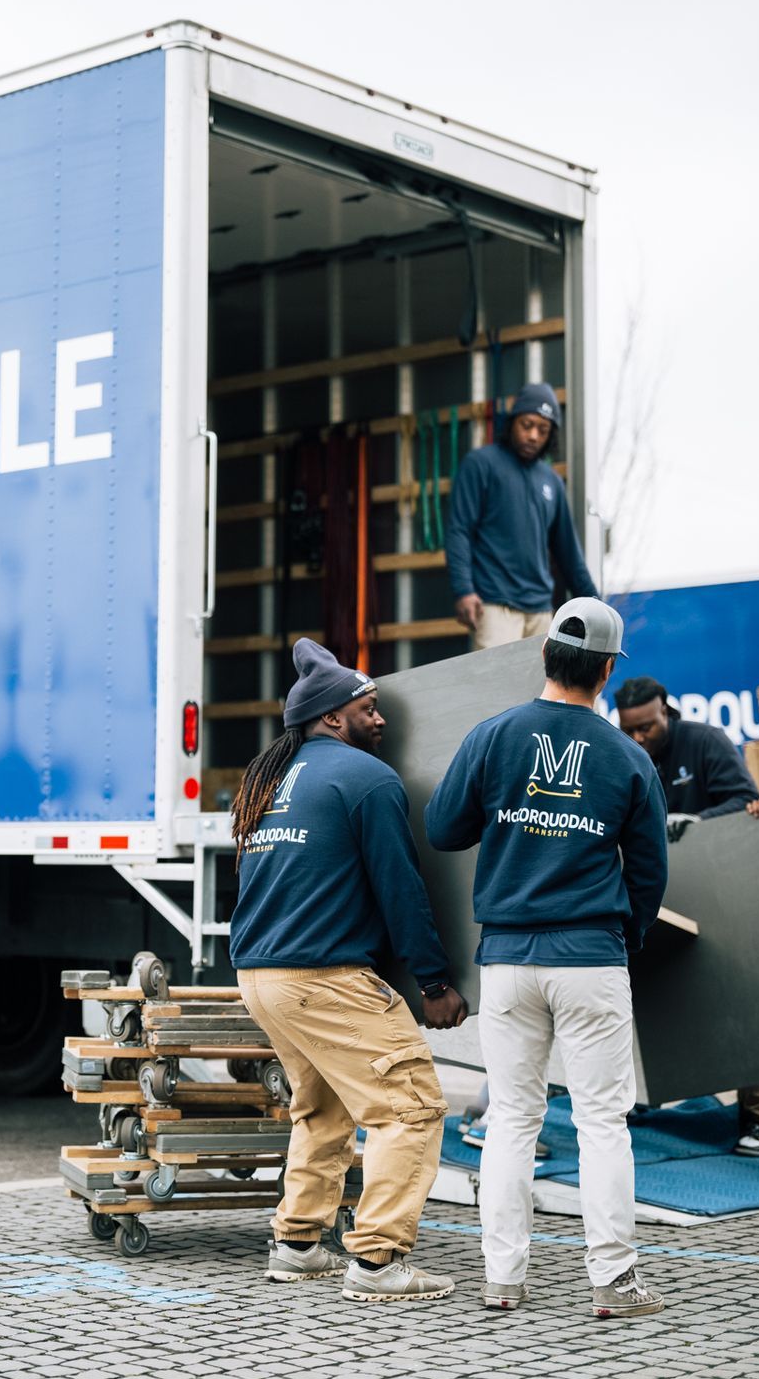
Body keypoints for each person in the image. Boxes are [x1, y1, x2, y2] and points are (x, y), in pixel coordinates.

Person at [424, 597, 669, 1318]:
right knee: (601, 1123)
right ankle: (612, 1283)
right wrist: (627, 945)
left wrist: (505, 814)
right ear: (605, 672)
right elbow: (651, 872)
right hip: (591, 956)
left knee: (510, 1122)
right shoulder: (627, 756)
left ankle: (504, 1280)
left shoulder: (494, 736)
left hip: (507, 959)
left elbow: (443, 828)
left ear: (544, 655)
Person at [229, 638, 467, 1303]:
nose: (382, 719)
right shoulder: (368, 779)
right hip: (322, 976)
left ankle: (300, 1244)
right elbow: (401, 888)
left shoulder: (263, 781)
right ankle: (378, 1262)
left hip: (261, 976)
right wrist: (435, 982)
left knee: (323, 1107)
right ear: (333, 718)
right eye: (370, 708)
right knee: (411, 1108)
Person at [613, 674, 759, 1157]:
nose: (639, 737)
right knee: (638, 996)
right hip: (655, 895)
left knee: (739, 993)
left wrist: (698, 822)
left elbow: (748, 804)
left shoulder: (706, 742)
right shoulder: (623, 751)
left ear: (668, 711)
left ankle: (757, 1118)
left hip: (720, 891)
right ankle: (637, 1096)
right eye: (630, 730)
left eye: (647, 727)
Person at [445, 382, 596, 648]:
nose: (534, 436)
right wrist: (463, 590)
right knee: (496, 689)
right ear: (512, 422)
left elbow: (569, 554)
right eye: (527, 425)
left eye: (543, 429)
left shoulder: (552, 481)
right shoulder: (481, 464)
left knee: (538, 690)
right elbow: (459, 530)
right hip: (494, 606)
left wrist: (596, 607)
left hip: (540, 611)